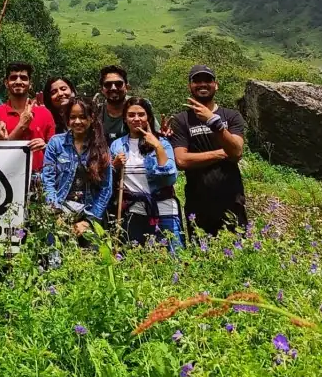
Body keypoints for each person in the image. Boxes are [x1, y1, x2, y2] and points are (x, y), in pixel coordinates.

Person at [169, 64, 246, 237]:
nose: (202, 84)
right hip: (198, 203)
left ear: (216, 85)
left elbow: (236, 153)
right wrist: (221, 153)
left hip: (232, 200)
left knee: (238, 249)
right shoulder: (181, 120)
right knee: (201, 251)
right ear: (190, 86)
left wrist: (213, 122)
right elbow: (181, 161)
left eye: (208, 80)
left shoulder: (231, 116)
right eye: (197, 81)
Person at [109, 98, 182, 251]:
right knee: (135, 258)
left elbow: (170, 176)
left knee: (172, 258)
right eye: (131, 115)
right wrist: (114, 166)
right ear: (125, 118)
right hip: (133, 212)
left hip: (164, 211)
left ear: (148, 117)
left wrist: (157, 146)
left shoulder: (163, 142)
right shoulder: (117, 145)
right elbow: (109, 179)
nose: (136, 119)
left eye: (141, 114)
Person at [42, 98, 112, 237]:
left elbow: (106, 189)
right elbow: (47, 179)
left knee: (92, 250)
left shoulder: (101, 148)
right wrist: (55, 213)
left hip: (89, 213)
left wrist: (88, 221)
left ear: (92, 118)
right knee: (55, 250)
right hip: (59, 211)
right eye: (73, 117)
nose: (77, 121)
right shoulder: (56, 143)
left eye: (83, 117)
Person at [0, 62, 56, 172]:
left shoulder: (45, 113)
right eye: (13, 78)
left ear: (30, 84)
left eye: (23, 78)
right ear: (6, 83)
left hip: (39, 177)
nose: (18, 81)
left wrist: (45, 146)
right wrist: (21, 126)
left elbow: (55, 151)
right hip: (7, 175)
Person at [99, 65, 130, 143]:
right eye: (108, 84)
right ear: (102, 89)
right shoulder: (95, 112)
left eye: (118, 84)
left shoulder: (139, 109)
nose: (113, 88)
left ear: (127, 87)